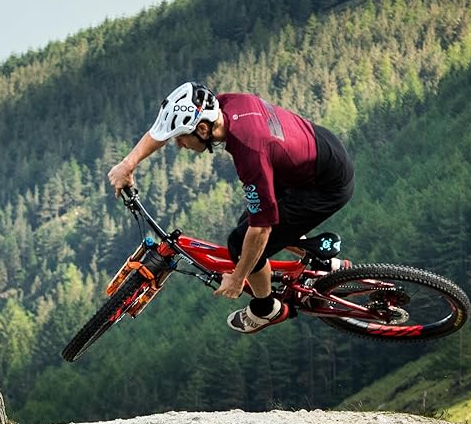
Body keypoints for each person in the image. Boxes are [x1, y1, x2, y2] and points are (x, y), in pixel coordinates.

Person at [106, 81, 354, 334]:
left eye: (181, 138)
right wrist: (129, 164)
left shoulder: (249, 149)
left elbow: (261, 230)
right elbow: (162, 129)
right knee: (249, 224)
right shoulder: (222, 105)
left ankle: (266, 308)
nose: (179, 145)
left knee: (242, 243)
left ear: (202, 129)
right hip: (313, 151)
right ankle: (321, 261)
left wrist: (238, 278)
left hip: (324, 185)